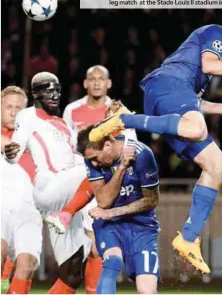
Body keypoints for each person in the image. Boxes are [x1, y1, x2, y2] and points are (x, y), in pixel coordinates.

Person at [88, 11, 222, 273]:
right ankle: (125, 120)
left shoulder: (208, 63)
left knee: (217, 164)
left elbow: (195, 103)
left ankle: (187, 237)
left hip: (170, 96)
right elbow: (208, 66)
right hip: (167, 84)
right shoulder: (218, 33)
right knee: (196, 128)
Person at [4, 72, 91, 294]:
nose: (55, 95)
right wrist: (11, 152)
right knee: (100, 167)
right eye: (48, 90)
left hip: (62, 194)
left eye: (58, 90)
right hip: (48, 187)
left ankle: (70, 216)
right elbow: (15, 149)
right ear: (35, 94)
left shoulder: (62, 124)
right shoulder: (28, 116)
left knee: (73, 272)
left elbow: (79, 156)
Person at [46, 126, 160, 294]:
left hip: (142, 226)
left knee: (146, 290)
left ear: (107, 145)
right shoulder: (91, 160)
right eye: (89, 160)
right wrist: (121, 168)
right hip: (109, 224)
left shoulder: (142, 154)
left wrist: (112, 212)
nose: (93, 163)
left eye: (95, 158)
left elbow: (151, 200)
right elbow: (104, 201)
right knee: (112, 261)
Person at [62, 64, 137, 294]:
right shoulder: (72, 110)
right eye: (92, 79)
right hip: (80, 184)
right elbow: (66, 147)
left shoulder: (118, 111)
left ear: (109, 83)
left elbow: (131, 142)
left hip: (108, 184)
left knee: (98, 247)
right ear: (85, 83)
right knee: (82, 250)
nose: (96, 83)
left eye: (101, 79)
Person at [1, 86, 42, 294]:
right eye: (8, 106)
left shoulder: (37, 139)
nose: (13, 112)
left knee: (26, 266)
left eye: (19, 107)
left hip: (28, 213)